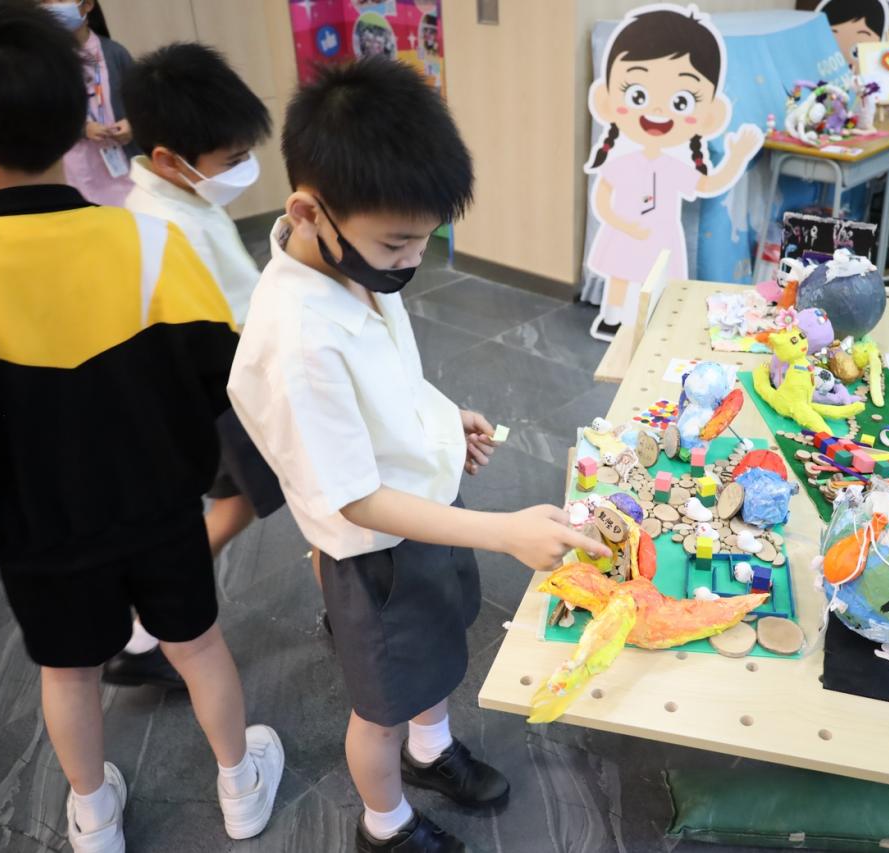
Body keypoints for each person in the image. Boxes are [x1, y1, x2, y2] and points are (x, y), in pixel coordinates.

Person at [227, 57, 608, 852]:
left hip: (426, 512)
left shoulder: (356, 267)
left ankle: (430, 750)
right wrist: (504, 532)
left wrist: (440, 416)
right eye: (399, 242)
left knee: (436, 651)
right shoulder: (299, 337)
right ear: (308, 210)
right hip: (375, 554)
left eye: (426, 240)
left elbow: (390, 375)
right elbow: (354, 497)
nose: (411, 259)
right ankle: (386, 824)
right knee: (381, 706)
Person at [0, 3, 284, 851]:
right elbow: (220, 375)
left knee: (67, 671)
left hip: (34, 529)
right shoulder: (148, 242)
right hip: (159, 506)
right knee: (198, 644)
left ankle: (94, 815)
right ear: (79, 122)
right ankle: (240, 784)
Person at [104, 41, 285, 688]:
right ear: (167, 159)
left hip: (220, 388)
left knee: (239, 503)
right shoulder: (167, 225)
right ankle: (146, 626)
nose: (244, 170)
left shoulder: (176, 203)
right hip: (225, 394)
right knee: (270, 497)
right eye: (231, 161)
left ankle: (141, 629)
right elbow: (226, 323)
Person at [583, 7, 761, 341]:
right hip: (625, 230)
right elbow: (603, 198)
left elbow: (709, 183)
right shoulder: (622, 161)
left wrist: (736, 158)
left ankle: (650, 321)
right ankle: (612, 317)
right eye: (637, 95)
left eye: (681, 101)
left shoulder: (674, 167)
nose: (657, 110)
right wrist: (621, 224)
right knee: (620, 274)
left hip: (661, 234)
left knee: (655, 278)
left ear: (710, 115)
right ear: (606, 100)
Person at [38, 0, 138, 206]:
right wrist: (82, 129)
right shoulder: (40, 62)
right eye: (46, 1)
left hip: (124, 169)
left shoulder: (115, 53)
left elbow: (145, 105)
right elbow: (39, 117)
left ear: (88, 4)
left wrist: (133, 123)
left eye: (61, 0)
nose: (53, 6)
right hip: (73, 173)